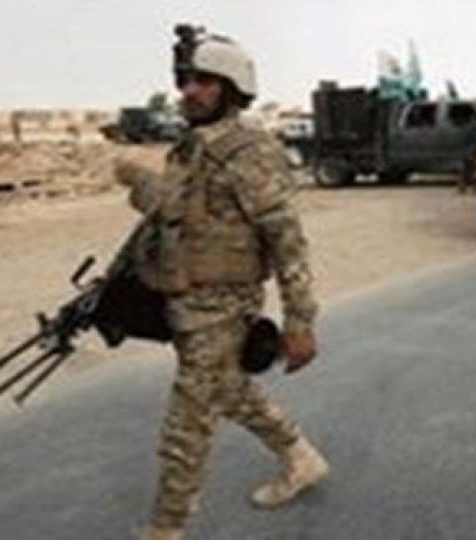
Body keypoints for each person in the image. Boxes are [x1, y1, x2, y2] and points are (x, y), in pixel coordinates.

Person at [114, 29, 329, 540]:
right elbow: (175, 211)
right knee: (230, 390)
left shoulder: (249, 152)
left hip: (222, 306)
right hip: (185, 302)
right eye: (187, 80)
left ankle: (166, 527)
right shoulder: (190, 150)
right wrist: (137, 182)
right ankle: (301, 457)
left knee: (187, 421)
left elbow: (287, 241)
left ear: (232, 90)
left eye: (205, 82)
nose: (190, 90)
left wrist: (300, 322)